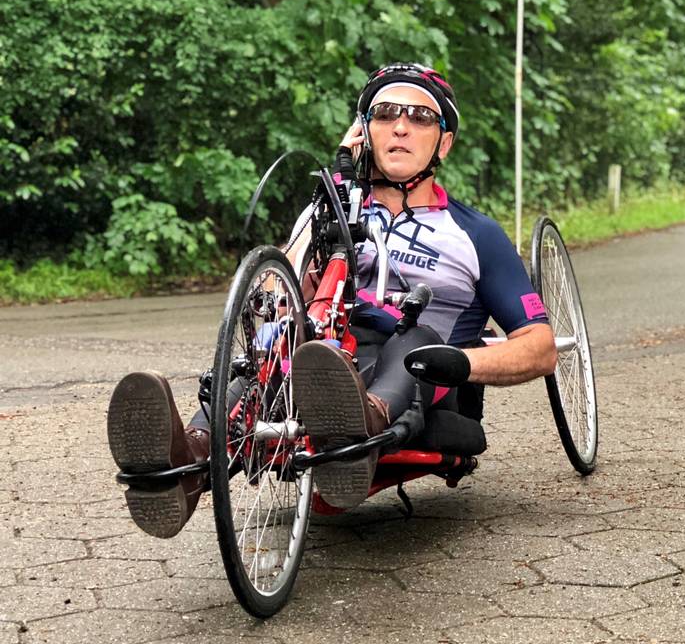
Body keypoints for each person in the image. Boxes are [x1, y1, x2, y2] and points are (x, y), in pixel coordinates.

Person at [107, 62, 557, 537]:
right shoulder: (330, 211)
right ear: (364, 131)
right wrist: (289, 293)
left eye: (420, 118)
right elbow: (274, 292)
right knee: (275, 342)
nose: (400, 127)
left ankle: (362, 425)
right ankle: (186, 464)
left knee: (415, 339)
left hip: (417, 373)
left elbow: (540, 346)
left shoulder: (475, 234)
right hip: (323, 356)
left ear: (443, 142)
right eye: (384, 113)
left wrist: (460, 362)